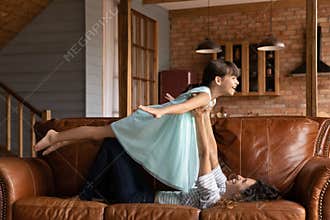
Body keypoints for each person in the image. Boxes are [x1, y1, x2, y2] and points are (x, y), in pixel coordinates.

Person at [34, 60, 240, 192]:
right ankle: (55, 136)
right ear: (218, 79)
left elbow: (185, 106)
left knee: (100, 135)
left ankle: (59, 141)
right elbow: (186, 106)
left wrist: (171, 105)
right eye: (234, 78)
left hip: (154, 130)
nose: (236, 83)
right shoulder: (205, 95)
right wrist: (163, 110)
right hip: (150, 126)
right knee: (99, 134)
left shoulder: (208, 97)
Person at [36, 106, 280, 209]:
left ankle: (84, 195)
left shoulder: (212, 198)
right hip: (142, 191)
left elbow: (205, 154)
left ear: (238, 197)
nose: (238, 176)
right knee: (127, 143)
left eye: (243, 182)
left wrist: (197, 118)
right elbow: (213, 151)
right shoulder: (219, 185)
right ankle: (64, 142)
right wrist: (205, 115)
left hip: (134, 198)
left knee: (113, 144)